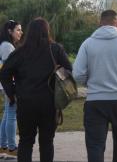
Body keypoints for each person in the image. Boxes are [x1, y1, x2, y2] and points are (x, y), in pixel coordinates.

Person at [73, 10, 117, 162]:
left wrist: (90, 84)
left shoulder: (87, 44)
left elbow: (78, 74)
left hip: (95, 101)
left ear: (100, 23)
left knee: (95, 146)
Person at [0, 17, 72, 162]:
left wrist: (13, 93)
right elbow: (69, 70)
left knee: (26, 142)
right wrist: (57, 74)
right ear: (47, 31)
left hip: (26, 103)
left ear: (29, 33)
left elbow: (4, 73)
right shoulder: (55, 49)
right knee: (47, 143)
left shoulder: (20, 52)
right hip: (49, 103)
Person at [0, 20, 23, 157]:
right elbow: (10, 70)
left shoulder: (4, 45)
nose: (21, 32)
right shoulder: (8, 47)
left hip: (4, 85)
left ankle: (3, 146)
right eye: (18, 30)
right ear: (10, 31)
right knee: (11, 115)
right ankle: (12, 148)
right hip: (9, 86)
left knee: (7, 115)